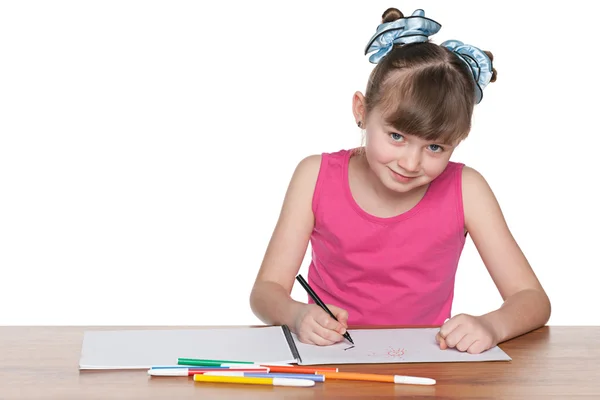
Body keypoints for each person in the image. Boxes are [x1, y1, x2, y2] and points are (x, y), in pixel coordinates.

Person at [249, 7, 551, 354]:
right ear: (361, 111)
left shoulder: (467, 189)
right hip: (331, 363)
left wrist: (491, 325)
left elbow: (532, 299)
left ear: (458, 140)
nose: (410, 162)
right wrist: (297, 314)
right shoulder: (314, 176)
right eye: (396, 136)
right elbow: (265, 291)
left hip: (425, 366)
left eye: (435, 146)